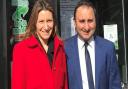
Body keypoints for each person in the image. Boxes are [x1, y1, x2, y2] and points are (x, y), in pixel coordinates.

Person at [64, 0, 122, 89]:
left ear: (96, 21)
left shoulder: (108, 48)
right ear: (75, 23)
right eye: (82, 21)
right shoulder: (65, 48)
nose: (86, 27)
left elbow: (114, 85)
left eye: (90, 21)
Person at [12, 0, 68, 89]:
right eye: (41, 21)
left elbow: (65, 85)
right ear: (35, 23)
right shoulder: (21, 50)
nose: (46, 27)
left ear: (54, 23)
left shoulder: (61, 48)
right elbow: (18, 86)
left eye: (49, 21)